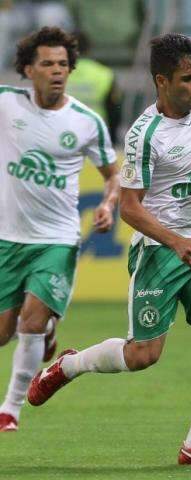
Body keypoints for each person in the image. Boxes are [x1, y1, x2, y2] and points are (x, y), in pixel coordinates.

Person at [27, 33, 191, 467]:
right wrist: (176, 242)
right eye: (187, 78)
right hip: (160, 250)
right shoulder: (143, 135)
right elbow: (130, 209)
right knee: (143, 355)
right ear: (161, 81)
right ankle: (69, 366)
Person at [0, 26, 118, 432]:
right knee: (3, 332)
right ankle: (48, 328)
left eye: (63, 64)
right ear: (28, 69)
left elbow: (112, 174)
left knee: (29, 323)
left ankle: (10, 410)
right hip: (7, 237)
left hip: (58, 238)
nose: (57, 71)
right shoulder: (6, 104)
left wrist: (107, 203)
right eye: (47, 63)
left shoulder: (86, 122)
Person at [66, 31, 123, 144]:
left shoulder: (58, 72)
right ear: (88, 49)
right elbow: (114, 112)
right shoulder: (105, 74)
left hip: (64, 137)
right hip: (95, 136)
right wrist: (112, 142)